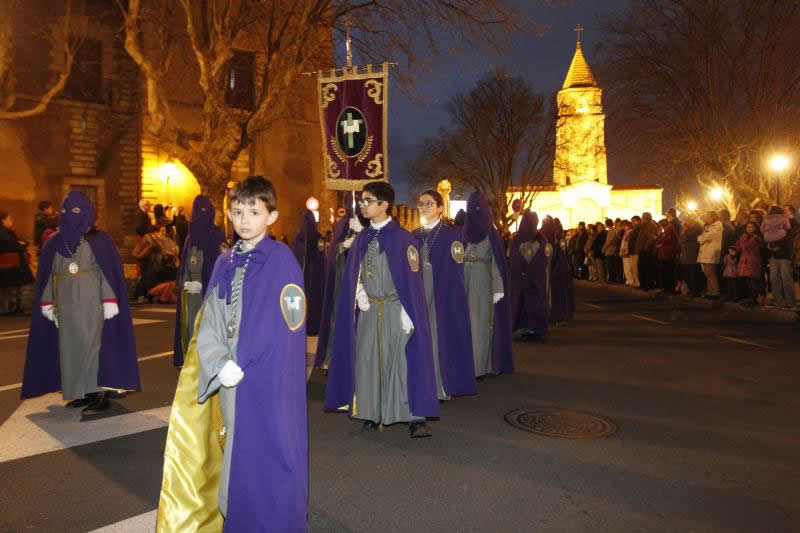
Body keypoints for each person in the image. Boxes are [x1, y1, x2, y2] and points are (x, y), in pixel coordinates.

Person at [156, 176, 308, 531]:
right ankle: (237, 514)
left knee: (269, 447)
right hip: (229, 373)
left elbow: (287, 320)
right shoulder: (225, 262)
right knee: (235, 447)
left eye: (254, 212)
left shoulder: (280, 260)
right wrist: (218, 361)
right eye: (238, 211)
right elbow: (209, 318)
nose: (244, 220)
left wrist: (249, 358)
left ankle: (272, 518)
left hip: (265, 374)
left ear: (271, 216)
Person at [324, 181, 439, 438]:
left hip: (394, 310)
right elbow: (354, 273)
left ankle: (411, 415)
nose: (362, 205)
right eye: (362, 201)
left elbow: (411, 281)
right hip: (368, 311)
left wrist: (407, 310)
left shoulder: (403, 239)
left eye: (368, 201)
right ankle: (371, 411)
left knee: (399, 362)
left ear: (384, 205)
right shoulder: (362, 238)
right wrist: (359, 292)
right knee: (367, 361)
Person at [21, 191, 140, 413]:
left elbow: (106, 273)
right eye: (68, 211)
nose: (73, 216)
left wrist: (109, 300)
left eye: (78, 211)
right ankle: (79, 391)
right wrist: (47, 302)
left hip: (92, 305)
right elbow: (49, 276)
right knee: (70, 349)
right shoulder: (53, 243)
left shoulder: (100, 241)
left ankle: (97, 393)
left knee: (92, 347)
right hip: (65, 307)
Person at [412, 189, 476, 400]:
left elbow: (456, 270)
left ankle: (438, 387)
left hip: (440, 293)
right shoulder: (413, 235)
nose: (423, 206)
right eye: (421, 203)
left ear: (440, 208)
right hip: (417, 293)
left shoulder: (451, 235)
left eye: (429, 203)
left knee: (435, 337)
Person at [462, 191, 513, 377]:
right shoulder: (463, 231)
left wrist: (498, 287)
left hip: (483, 283)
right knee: (465, 323)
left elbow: (496, 262)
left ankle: (479, 367)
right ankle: (465, 365)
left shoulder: (491, 232)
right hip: (464, 281)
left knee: (480, 323)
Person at [173, 195, 226, 367]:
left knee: (199, 321)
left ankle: (200, 357)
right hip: (194, 286)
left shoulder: (207, 235)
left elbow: (221, 261)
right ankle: (193, 357)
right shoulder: (194, 236)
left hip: (204, 286)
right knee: (192, 321)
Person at [315, 193, 363, 370]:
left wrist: (363, 233)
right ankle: (335, 359)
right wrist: (345, 244)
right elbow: (334, 250)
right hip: (343, 278)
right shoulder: (342, 224)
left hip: (364, 278)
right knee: (339, 315)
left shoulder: (369, 224)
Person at [510, 210, 550, 341]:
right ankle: (537, 328)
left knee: (521, 302)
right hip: (536, 280)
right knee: (536, 302)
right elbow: (544, 260)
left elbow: (513, 260)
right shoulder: (542, 239)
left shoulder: (516, 239)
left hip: (521, 279)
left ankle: (521, 328)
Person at [293, 208, 325, 336]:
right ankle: (314, 326)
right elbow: (322, 257)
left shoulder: (298, 238)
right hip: (316, 276)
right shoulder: (318, 237)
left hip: (302, 276)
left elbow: (295, 256)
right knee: (314, 300)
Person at [762, 205, 797, 309]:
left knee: (786, 279)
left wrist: (777, 245)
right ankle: (779, 301)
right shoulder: (775, 221)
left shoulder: (792, 222)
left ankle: (791, 302)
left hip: (785, 255)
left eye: (785, 209)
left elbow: (791, 238)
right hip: (774, 255)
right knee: (774, 278)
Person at [0, 211, 34, 314]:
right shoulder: (4, 234)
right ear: (2, 221)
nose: (11, 221)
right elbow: (15, 246)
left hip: (9, 269)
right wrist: (22, 245)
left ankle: (14, 306)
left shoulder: (6, 232)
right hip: (13, 268)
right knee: (28, 283)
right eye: (9, 219)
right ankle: (23, 307)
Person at [545, 218, 574, 324]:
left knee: (557, 294)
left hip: (556, 271)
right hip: (554, 270)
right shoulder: (547, 238)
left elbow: (562, 254)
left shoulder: (558, 240)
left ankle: (558, 315)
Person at [737, 222, 764, 306]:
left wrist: (753, 239)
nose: (749, 228)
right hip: (745, 261)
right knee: (748, 281)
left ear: (755, 228)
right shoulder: (744, 237)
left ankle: (753, 299)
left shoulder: (757, 238)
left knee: (753, 281)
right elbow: (743, 247)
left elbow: (750, 247)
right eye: (748, 227)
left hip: (753, 261)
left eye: (751, 227)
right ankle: (750, 299)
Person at [697, 211, 723, 299]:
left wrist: (701, 238)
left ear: (713, 217)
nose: (705, 218)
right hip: (706, 253)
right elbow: (701, 237)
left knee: (711, 274)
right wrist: (701, 238)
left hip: (711, 253)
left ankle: (715, 292)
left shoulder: (717, 227)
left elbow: (704, 238)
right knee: (707, 274)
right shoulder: (709, 226)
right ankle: (710, 292)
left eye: (707, 216)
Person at [678, 213, 704, 297]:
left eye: (688, 219)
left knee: (694, 274)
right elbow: (681, 237)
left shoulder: (697, 227)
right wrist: (684, 231)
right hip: (687, 255)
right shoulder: (688, 227)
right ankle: (690, 289)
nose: (686, 221)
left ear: (693, 220)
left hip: (693, 254)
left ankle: (695, 291)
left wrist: (684, 230)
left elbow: (689, 237)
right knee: (688, 273)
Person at [635, 212, 658, 290]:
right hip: (643, 250)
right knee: (642, 268)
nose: (641, 219)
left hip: (646, 251)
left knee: (646, 268)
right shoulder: (644, 225)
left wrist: (645, 248)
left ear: (645, 218)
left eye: (642, 217)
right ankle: (643, 284)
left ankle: (647, 285)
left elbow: (650, 238)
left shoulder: (650, 225)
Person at [656, 218, 678, 293]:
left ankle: (669, 288)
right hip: (665, 253)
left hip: (667, 254)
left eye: (660, 226)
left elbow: (666, 240)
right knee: (665, 272)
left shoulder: (669, 229)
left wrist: (659, 237)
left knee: (668, 272)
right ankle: (666, 288)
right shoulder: (668, 229)